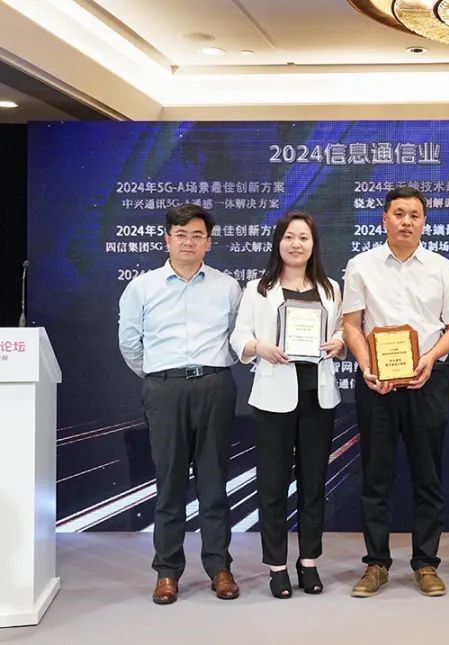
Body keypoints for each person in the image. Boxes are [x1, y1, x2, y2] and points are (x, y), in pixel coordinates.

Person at [342, 186, 449, 598]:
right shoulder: (360, 266)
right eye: (399, 214)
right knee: (375, 477)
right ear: (384, 219)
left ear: (424, 222)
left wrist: (429, 359)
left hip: (426, 382)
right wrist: (366, 365)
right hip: (376, 384)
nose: (406, 222)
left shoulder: (443, 268)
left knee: (427, 476)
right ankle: (375, 564)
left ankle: (426, 563)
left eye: (414, 215)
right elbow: (351, 325)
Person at [117, 203, 242, 605]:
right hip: (164, 389)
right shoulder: (142, 287)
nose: (189, 242)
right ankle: (167, 571)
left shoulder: (227, 286)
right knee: (169, 482)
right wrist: (161, 375)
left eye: (197, 235)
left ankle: (219, 567)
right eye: (181, 234)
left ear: (209, 242)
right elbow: (129, 343)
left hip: (214, 386)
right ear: (167, 239)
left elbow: (237, 339)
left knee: (214, 481)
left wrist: (210, 371)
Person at [229, 211, 345, 598]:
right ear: (278, 242)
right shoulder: (258, 289)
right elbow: (238, 337)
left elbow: (342, 330)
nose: (296, 244)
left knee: (313, 484)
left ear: (314, 245)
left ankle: (308, 561)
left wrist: (340, 342)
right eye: (289, 237)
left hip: (318, 398)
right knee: (273, 485)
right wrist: (259, 347)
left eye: (304, 238)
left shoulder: (330, 288)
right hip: (273, 399)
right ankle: (276, 566)